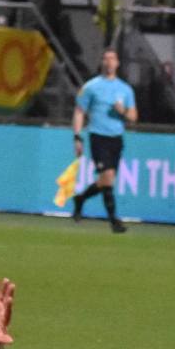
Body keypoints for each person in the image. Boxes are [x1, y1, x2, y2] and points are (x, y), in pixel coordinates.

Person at [71, 48, 137, 233]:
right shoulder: (91, 86)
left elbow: (133, 116)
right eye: (106, 59)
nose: (109, 62)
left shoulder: (125, 89)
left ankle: (81, 198)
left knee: (106, 180)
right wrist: (77, 136)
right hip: (98, 137)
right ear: (102, 63)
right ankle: (114, 221)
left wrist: (122, 111)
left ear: (117, 63)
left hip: (116, 138)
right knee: (107, 177)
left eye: (112, 59)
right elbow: (79, 111)